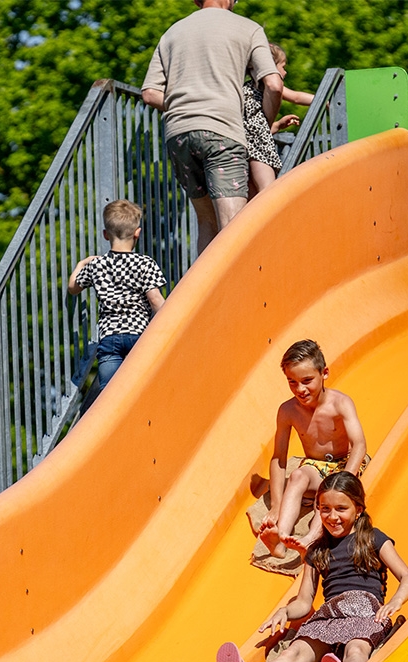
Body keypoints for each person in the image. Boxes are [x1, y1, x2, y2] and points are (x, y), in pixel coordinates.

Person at [218, 472, 408, 662]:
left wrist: (395, 602)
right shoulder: (317, 550)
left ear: (358, 509)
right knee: (292, 655)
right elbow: (304, 601)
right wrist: (285, 611)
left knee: (356, 649)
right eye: (325, 509)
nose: (333, 517)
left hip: (366, 612)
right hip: (330, 615)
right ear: (318, 509)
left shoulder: (373, 538)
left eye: (341, 509)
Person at [140, 0, 283, 255]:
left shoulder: (173, 32)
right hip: (222, 133)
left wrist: (186, 103)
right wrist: (265, 124)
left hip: (179, 134)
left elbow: (150, 94)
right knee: (234, 224)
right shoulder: (248, 28)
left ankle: (206, 292)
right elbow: (273, 84)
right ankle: (239, 292)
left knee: (207, 222)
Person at [257, 340, 369, 560]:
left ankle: (309, 539)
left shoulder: (340, 403)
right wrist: (276, 505)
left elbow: (359, 445)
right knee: (297, 475)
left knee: (326, 501)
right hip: (315, 467)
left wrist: (344, 481)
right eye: (292, 382)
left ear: (324, 373)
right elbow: (279, 458)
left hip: (344, 464)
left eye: (307, 381)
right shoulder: (288, 410)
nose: (300, 389)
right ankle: (280, 539)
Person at [67, 199, 166, 388]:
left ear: (106, 234)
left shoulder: (97, 265)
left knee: (109, 392)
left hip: (109, 336)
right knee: (142, 385)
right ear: (138, 233)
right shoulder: (145, 263)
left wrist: (82, 263)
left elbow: (73, 287)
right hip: (139, 334)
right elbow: (156, 301)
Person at [246, 43, 316, 196]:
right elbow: (297, 97)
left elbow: (252, 127)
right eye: (282, 66)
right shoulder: (270, 86)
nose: (285, 71)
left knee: (251, 198)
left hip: (241, 150)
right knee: (268, 191)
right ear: (268, 66)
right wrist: (324, 101)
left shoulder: (244, 91)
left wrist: (277, 125)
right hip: (260, 151)